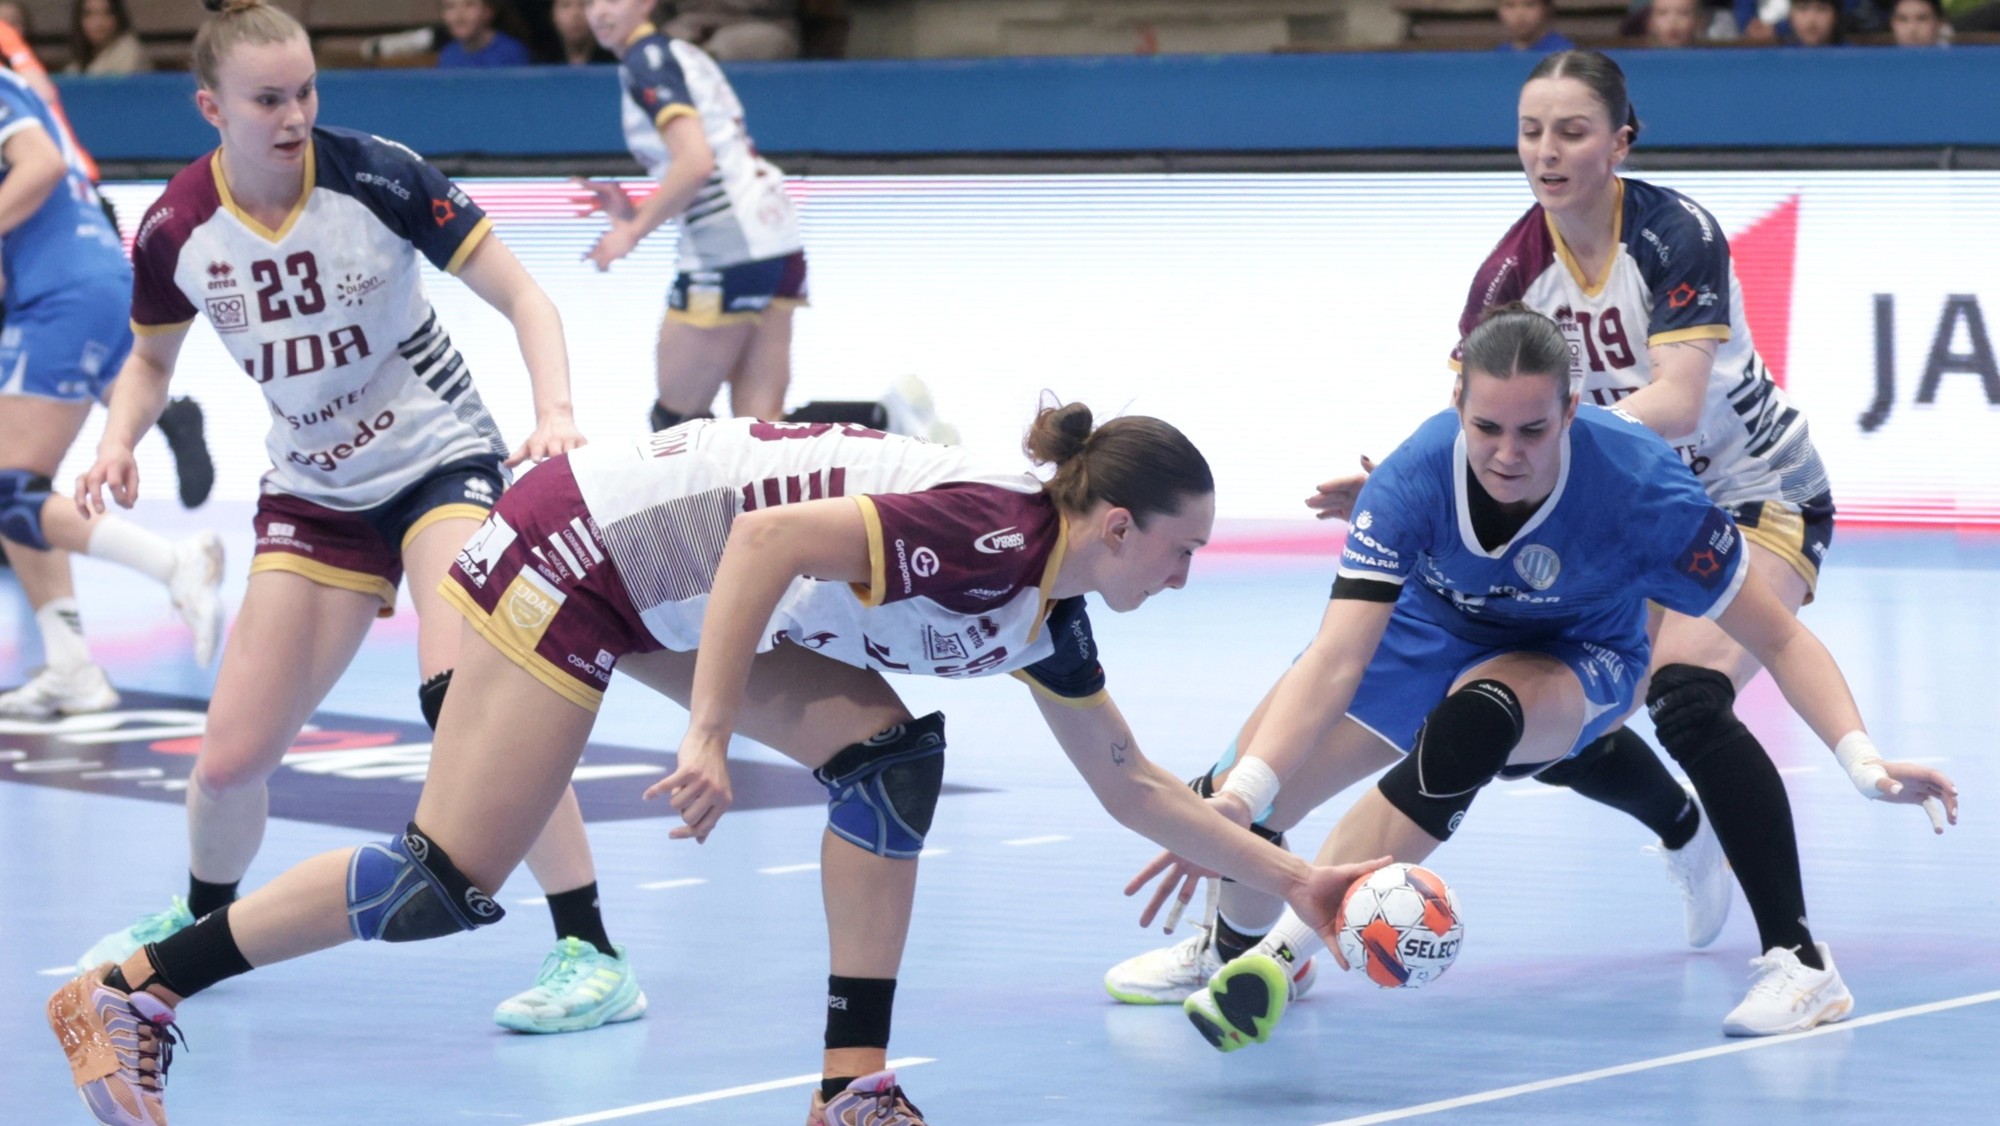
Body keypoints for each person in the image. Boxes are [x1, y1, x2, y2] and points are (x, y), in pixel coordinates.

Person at [49, 403, 1393, 1126]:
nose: (1186, 572)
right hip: (588, 548)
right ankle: (129, 992)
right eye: (1182, 548)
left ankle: (849, 1087)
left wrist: (1302, 885)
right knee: (440, 881)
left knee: (888, 762)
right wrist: (702, 729)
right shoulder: (986, 536)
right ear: (1113, 526)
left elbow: (1130, 783)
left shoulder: (1046, 605)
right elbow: (762, 543)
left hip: (665, 578)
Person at [63, 0, 652, 1040]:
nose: (294, 115)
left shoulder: (377, 177)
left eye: (305, 91)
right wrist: (117, 440)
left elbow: (527, 299)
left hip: (438, 464)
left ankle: (591, 950)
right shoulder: (175, 228)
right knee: (229, 762)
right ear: (211, 108)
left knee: (467, 697)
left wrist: (554, 412)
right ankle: (199, 924)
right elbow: (151, 359)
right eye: (267, 99)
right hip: (313, 492)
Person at [1160, 307, 1957, 1055]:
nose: (1508, 454)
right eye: (1487, 428)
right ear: (1456, 405)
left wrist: (1863, 761)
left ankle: (1276, 957)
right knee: (1243, 801)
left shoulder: (1643, 492)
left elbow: (1778, 636)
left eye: (1533, 430)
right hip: (1435, 628)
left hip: (1579, 650)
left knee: (1476, 722)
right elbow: (1336, 659)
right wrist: (1242, 796)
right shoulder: (1411, 477)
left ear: (1572, 411)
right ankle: (1236, 950)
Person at [577, 0, 952, 442]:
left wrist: (631, 231)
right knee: (762, 428)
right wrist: (635, 211)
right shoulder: (681, 52)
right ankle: (888, 422)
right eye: (588, 1)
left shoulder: (647, 62)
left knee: (676, 423)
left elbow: (696, 162)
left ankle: (888, 425)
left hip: (729, 249)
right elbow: (715, 161)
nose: (599, 11)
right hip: (774, 236)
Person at [0, 66, 222, 718]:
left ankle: (175, 563)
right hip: (81, 282)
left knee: (9, 490)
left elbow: (40, 165)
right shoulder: (21, 89)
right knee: (18, 489)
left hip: (61, 292)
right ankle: (70, 666)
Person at [437, 0, 534, 67]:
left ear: (487, 11)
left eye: (469, 5)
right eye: (450, 6)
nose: (459, 16)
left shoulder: (511, 53)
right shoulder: (448, 55)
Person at [66, 0, 150, 75]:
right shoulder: (79, 61)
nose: (98, 23)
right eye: (89, 14)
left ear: (118, 17)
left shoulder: (129, 52)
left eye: (106, 13)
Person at [1495, 0, 1575, 51]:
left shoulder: (1565, 53)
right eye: (1509, 5)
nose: (1519, 14)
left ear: (1546, 8)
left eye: (1529, 4)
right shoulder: (1498, 56)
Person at [1782, 0, 1847, 42]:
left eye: (1821, 8)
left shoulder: (1849, 53)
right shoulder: (1781, 53)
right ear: (1790, 15)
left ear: (1836, 15)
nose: (1811, 19)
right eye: (1803, 8)